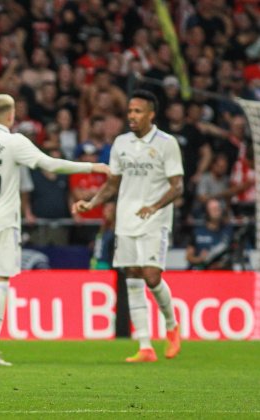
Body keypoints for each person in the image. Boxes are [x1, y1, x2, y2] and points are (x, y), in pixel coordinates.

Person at [0, 93, 110, 366]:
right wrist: (92, 165)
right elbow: (50, 164)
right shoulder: (13, 142)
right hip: (3, 220)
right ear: (11, 115)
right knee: (0, 281)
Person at [72, 90, 183, 363]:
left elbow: (177, 185)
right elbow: (113, 183)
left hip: (154, 220)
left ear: (151, 114)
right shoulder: (120, 143)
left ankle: (171, 325)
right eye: (130, 111)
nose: (132, 116)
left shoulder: (167, 143)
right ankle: (145, 346)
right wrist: (92, 202)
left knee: (152, 276)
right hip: (126, 219)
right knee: (132, 276)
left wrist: (155, 207)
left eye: (138, 111)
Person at [186, 198, 234, 270]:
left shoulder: (228, 232)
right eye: (213, 209)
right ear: (207, 212)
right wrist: (200, 259)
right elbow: (188, 256)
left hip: (222, 273)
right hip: (202, 272)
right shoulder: (197, 232)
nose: (216, 211)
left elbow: (233, 255)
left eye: (218, 208)